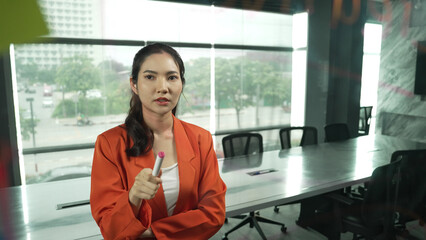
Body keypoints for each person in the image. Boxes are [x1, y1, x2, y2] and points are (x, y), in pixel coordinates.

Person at [90, 43, 227, 240]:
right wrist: (133, 197)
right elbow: (110, 229)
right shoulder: (109, 144)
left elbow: (214, 214)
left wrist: (152, 232)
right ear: (134, 84)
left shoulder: (200, 139)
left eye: (172, 77)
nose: (162, 88)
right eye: (150, 77)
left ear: (181, 84)